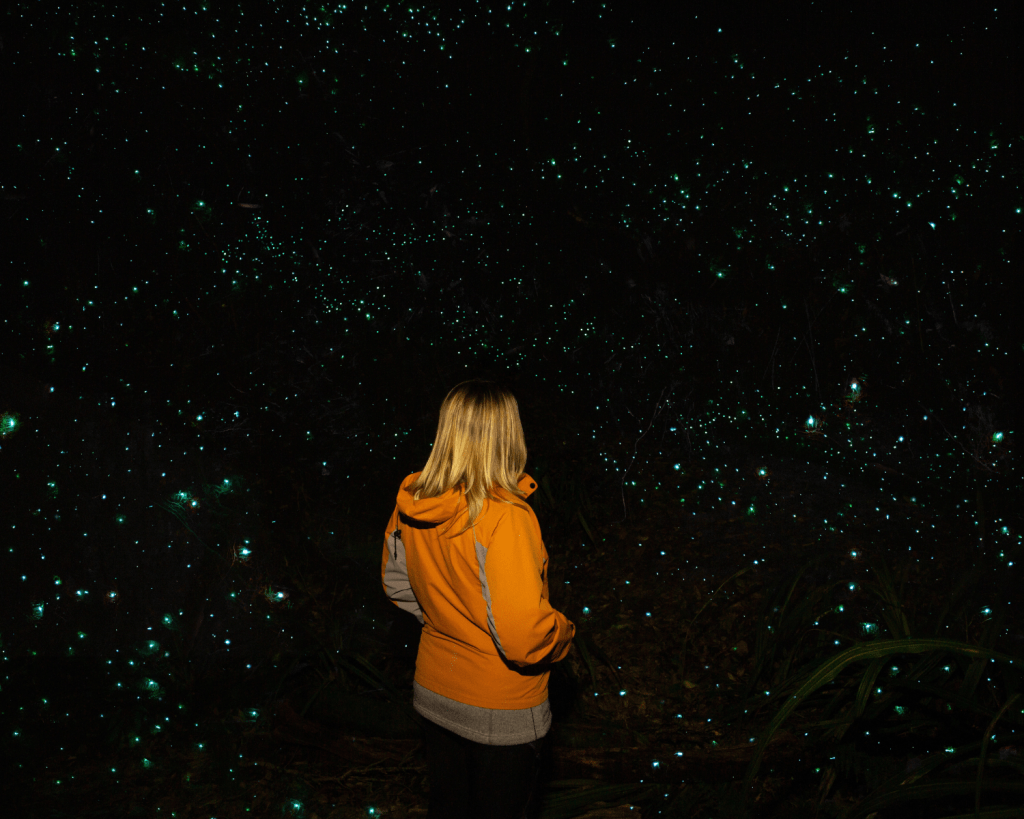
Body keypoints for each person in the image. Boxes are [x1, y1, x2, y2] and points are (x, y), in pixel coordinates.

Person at [381, 380, 576, 819]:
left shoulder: (414, 500)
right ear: (510, 434)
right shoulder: (506, 518)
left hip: (434, 690)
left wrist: (446, 621)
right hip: (499, 708)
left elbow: (396, 584)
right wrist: (564, 633)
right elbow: (524, 637)